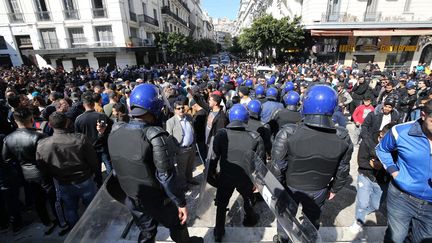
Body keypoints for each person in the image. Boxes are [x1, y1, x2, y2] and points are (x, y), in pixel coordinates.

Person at [108, 84, 202, 243]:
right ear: (155, 107)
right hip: (157, 200)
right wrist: (181, 202)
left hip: (131, 197)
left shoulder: (115, 130)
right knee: (179, 223)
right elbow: (166, 177)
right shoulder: (155, 135)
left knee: (147, 231)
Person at [270, 85, 353, 243]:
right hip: (319, 189)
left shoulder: (289, 132)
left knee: (285, 216)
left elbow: (277, 167)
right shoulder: (343, 137)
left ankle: (282, 239)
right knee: (312, 220)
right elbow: (343, 170)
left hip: (291, 187)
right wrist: (334, 189)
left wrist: (278, 188)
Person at [376, 99, 432, 243]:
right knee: (396, 238)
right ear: (424, 115)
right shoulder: (400, 131)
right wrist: (394, 172)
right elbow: (382, 150)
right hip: (402, 198)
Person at [209, 104, 265, 242]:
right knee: (248, 199)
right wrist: (258, 182)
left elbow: (213, 158)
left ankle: (219, 232)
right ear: (246, 119)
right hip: (245, 177)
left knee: (221, 205)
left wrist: (211, 175)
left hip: (226, 176)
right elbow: (260, 163)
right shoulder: (255, 136)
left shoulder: (221, 134)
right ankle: (250, 219)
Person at [36, 112, 99, 235]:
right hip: (84, 180)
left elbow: (42, 168)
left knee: (71, 209)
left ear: (49, 125)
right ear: (67, 123)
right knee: (91, 207)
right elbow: (94, 160)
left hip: (63, 183)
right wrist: (94, 173)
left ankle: (76, 233)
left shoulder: (43, 144)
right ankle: (94, 229)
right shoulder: (79, 138)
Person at [2, 107, 57, 234]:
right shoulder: (39, 136)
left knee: (38, 200)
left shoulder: (8, 138)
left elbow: (6, 159)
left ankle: (46, 222)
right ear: (32, 119)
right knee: (52, 198)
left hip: (26, 174)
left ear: (15, 121)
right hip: (43, 172)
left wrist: (21, 165)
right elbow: (49, 155)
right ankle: (60, 221)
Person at [350, 123, 395, 233]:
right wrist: (372, 166)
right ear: (381, 134)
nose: (389, 144)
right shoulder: (368, 141)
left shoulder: (398, 146)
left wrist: (383, 167)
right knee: (362, 202)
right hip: (366, 175)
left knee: (376, 205)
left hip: (383, 180)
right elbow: (361, 161)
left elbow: (398, 165)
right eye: (386, 140)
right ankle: (358, 221)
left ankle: (364, 212)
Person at [75, 92, 112, 187]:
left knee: (96, 168)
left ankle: (99, 184)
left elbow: (78, 136)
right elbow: (110, 128)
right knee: (108, 165)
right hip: (103, 145)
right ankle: (111, 182)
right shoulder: (101, 116)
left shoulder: (79, 119)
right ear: (93, 104)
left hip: (89, 148)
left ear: (84, 105)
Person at [166, 100, 198, 191]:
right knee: (181, 170)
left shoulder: (189, 117)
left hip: (191, 147)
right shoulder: (171, 121)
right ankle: (183, 185)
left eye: (182, 108)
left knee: (190, 166)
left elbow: (192, 130)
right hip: (181, 149)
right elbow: (169, 138)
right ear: (174, 110)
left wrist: (194, 143)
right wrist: (176, 149)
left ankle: (190, 179)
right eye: (178, 108)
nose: (181, 110)